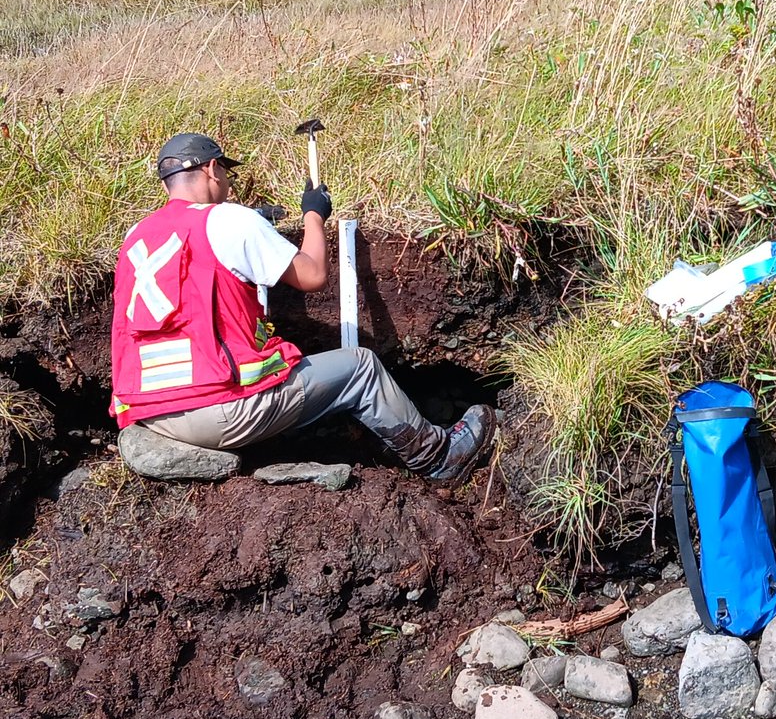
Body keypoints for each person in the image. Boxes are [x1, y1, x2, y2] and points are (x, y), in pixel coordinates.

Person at [109, 132, 495, 484]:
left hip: (153, 416)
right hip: (217, 411)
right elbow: (311, 276)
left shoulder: (134, 238)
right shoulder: (229, 221)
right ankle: (440, 456)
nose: (228, 183)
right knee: (360, 367)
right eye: (226, 172)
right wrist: (314, 212)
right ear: (211, 168)